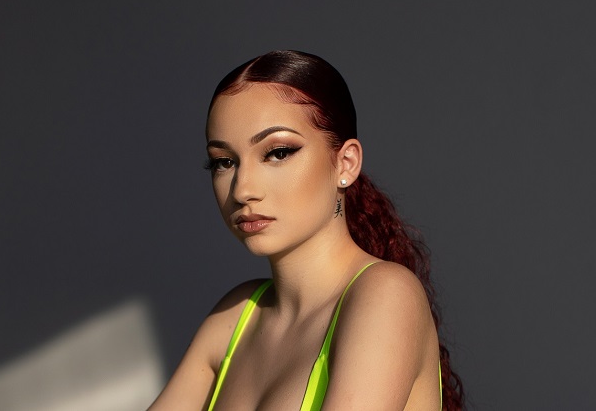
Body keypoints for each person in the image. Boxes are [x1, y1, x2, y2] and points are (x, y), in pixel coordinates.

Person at [149, 50, 464, 410]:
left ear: (345, 163)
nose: (242, 190)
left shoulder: (386, 295)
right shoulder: (236, 315)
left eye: (278, 153)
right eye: (224, 161)